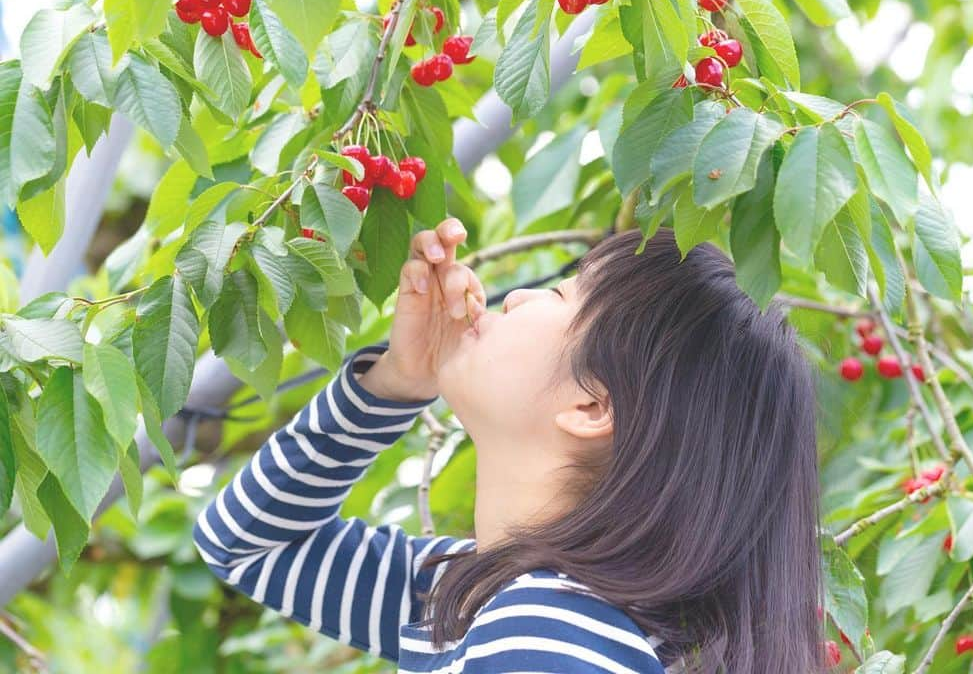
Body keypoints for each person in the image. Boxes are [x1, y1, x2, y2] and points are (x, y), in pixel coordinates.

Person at [193, 218, 825, 673]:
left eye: (559, 294)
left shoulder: (547, 636)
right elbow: (246, 543)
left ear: (592, 404)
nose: (516, 295)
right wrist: (395, 381)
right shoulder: (474, 595)